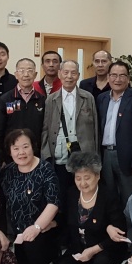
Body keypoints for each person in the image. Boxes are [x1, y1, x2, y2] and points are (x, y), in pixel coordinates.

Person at [54, 151, 126, 264]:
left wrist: (94, 249)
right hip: (79, 246)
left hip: (103, 247)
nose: (83, 183)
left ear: (97, 176)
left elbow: (120, 231)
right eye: (78, 178)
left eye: (87, 178)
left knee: (102, 263)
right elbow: (65, 220)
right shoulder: (72, 194)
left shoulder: (108, 196)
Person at [0, 129, 61, 264]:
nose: (21, 152)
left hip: (43, 227)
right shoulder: (9, 171)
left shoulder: (45, 169)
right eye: (16, 148)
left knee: (34, 261)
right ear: (10, 151)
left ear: (33, 147)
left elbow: (53, 203)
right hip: (19, 232)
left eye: (25, 147)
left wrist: (37, 227)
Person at [42, 60, 99, 194]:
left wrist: (96, 158)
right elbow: (45, 129)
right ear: (59, 74)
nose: (69, 76)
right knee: (61, 193)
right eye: (66, 72)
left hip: (84, 156)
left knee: (84, 192)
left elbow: (95, 129)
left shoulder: (88, 98)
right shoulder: (51, 99)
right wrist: (46, 155)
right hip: (59, 155)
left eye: (73, 73)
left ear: (78, 75)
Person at [97, 60, 132, 205]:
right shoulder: (101, 99)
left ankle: (129, 221)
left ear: (128, 78)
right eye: (114, 75)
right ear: (108, 77)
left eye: (122, 75)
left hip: (127, 157)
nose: (117, 79)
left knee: (128, 199)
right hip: (105, 155)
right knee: (108, 198)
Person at [0, 58, 45, 151]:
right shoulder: (6, 99)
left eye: (30, 71)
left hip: (35, 152)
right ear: (16, 75)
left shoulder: (42, 100)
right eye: (21, 71)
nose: (26, 74)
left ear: (35, 75)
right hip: (11, 152)